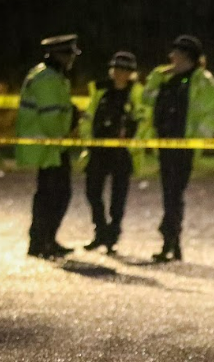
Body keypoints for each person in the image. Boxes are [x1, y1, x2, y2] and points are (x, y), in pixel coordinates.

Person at [141, 35, 214, 262]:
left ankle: (170, 237)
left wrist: (198, 139)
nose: (171, 57)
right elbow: (146, 100)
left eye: (175, 53)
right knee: (170, 192)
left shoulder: (202, 81)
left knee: (174, 192)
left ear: (186, 56)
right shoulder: (165, 78)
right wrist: (157, 78)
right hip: (165, 144)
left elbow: (213, 112)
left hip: (184, 145)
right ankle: (172, 241)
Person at [15, 34, 82, 259]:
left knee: (49, 194)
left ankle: (43, 240)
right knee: (56, 194)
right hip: (49, 144)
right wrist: (68, 126)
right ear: (61, 56)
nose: (72, 59)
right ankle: (43, 241)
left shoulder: (51, 75)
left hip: (51, 144)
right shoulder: (48, 78)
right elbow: (51, 116)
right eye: (70, 55)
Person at [79, 51, 145, 254]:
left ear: (131, 73)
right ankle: (101, 230)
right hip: (98, 149)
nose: (120, 74)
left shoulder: (136, 92)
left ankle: (112, 234)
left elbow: (143, 118)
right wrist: (87, 140)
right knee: (92, 192)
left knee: (118, 196)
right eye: (117, 69)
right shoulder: (100, 89)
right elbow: (89, 116)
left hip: (122, 152)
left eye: (124, 70)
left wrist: (131, 136)